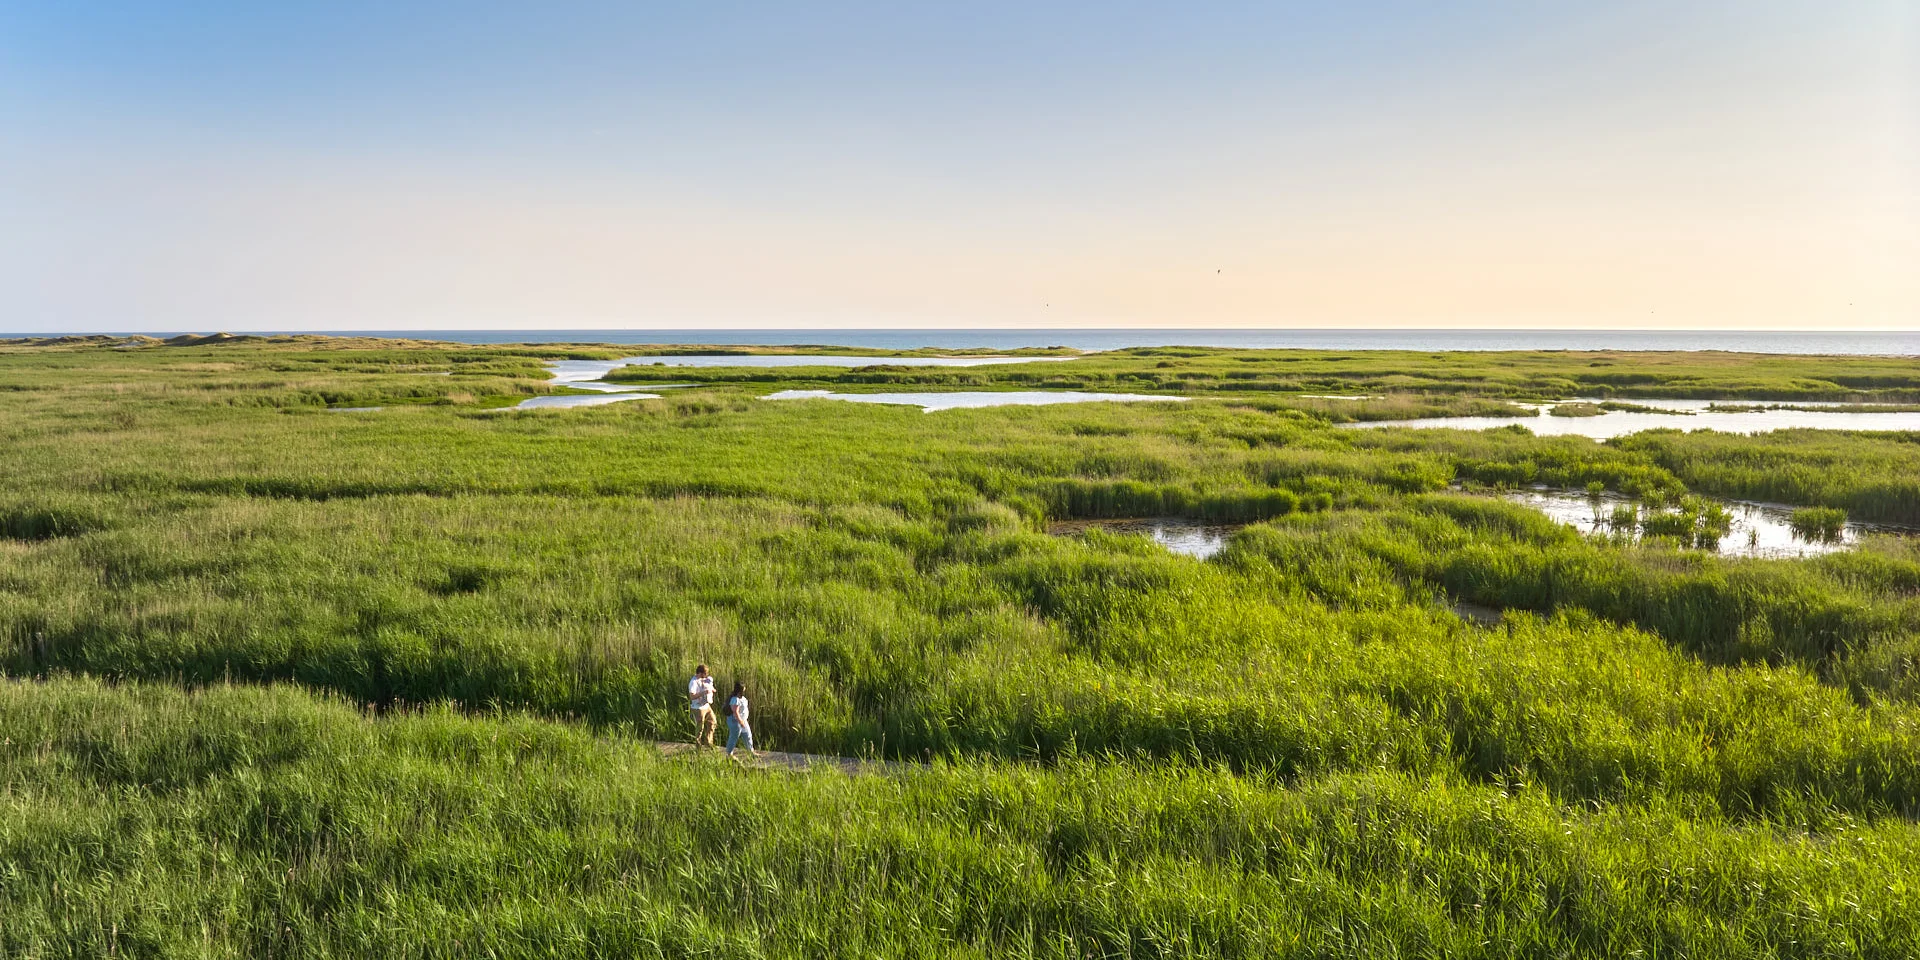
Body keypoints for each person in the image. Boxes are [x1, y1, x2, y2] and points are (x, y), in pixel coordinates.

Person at [725, 680, 758, 758]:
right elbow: (735, 712)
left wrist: (743, 721)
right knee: (733, 737)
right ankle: (729, 754)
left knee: (748, 735)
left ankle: (751, 751)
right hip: (735, 721)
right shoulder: (735, 699)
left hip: (743, 720)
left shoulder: (742, 698)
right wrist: (740, 722)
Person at [688, 664, 716, 747]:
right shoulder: (693, 682)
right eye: (705, 674)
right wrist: (703, 693)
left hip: (706, 706)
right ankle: (698, 745)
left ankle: (708, 742)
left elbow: (708, 685)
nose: (706, 676)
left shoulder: (703, 679)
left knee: (713, 722)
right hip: (698, 708)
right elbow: (692, 696)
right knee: (700, 727)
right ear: (700, 673)